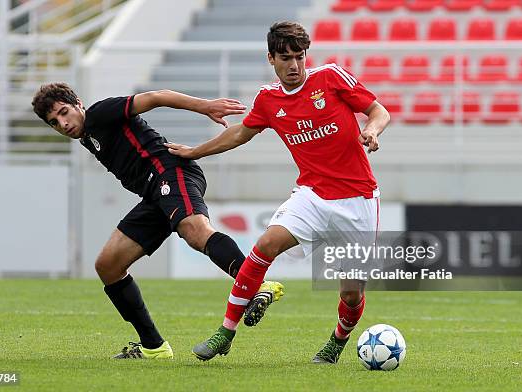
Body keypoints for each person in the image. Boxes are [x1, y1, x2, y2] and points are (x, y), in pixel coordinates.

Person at [166, 21, 390, 363]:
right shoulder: (269, 99)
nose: (294, 65)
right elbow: (241, 133)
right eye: (285, 58)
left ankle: (337, 341)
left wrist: (371, 130)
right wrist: (196, 151)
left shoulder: (330, 77)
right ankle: (225, 332)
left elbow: (378, 110)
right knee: (265, 245)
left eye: (299, 56)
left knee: (350, 293)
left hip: (357, 199)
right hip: (312, 194)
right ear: (271, 58)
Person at [31, 83, 284, 359]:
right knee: (108, 265)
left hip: (170, 171)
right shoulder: (88, 135)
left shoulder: (99, 113)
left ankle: (257, 284)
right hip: (153, 195)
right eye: (54, 122)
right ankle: (154, 347)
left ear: (78, 103)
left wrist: (205, 106)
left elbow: (156, 97)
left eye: (65, 113)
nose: (63, 123)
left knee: (195, 231)